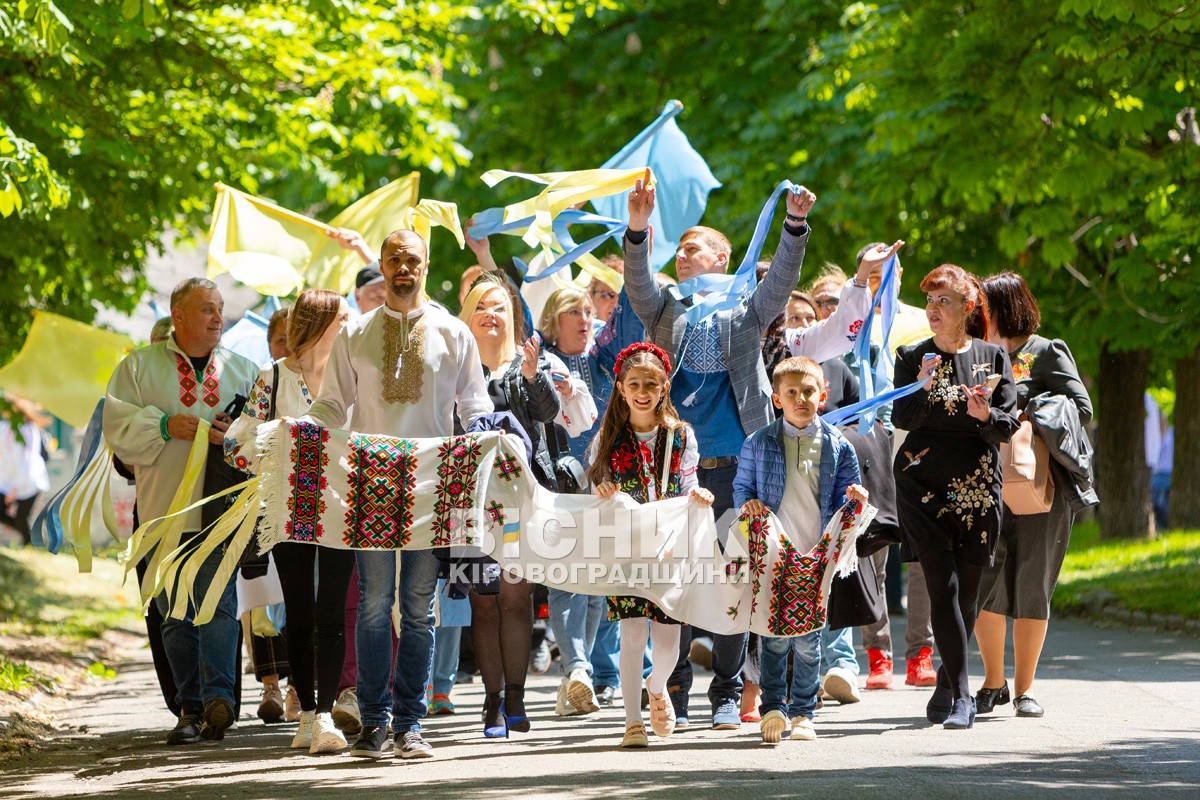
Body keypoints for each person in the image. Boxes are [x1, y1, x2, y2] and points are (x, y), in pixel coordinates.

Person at [622, 169, 816, 730]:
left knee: (733, 579)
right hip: (677, 474)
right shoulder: (667, 310)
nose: (682, 258)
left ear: (722, 257)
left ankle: (727, 694)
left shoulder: (743, 311)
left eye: (693, 250)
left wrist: (794, 225)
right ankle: (673, 690)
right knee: (676, 582)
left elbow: (781, 282)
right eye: (677, 251)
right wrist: (638, 231)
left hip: (736, 469)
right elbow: (637, 284)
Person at [302, 229, 492, 759]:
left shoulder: (455, 334)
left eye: (412, 259)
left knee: (418, 608)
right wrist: (298, 433)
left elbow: (475, 408)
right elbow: (332, 405)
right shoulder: (356, 333)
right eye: (394, 259)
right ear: (381, 266)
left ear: (427, 266)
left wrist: (496, 440)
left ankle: (410, 724)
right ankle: (374, 723)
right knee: (372, 606)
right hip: (371, 485)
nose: (403, 267)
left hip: (434, 485)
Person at [103, 278, 259, 744]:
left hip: (222, 513)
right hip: (163, 512)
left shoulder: (243, 370)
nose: (217, 318)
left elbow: (266, 433)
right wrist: (165, 425)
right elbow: (117, 428)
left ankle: (218, 700)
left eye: (220, 308)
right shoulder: (137, 367)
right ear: (179, 316)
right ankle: (189, 706)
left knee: (219, 606)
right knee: (174, 616)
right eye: (207, 309)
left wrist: (238, 432)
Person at [225, 289, 357, 753]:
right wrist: (274, 445)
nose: (351, 323)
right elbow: (234, 445)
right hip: (289, 510)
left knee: (334, 613)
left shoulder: (354, 376)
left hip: (345, 508)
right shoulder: (273, 376)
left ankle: (324, 712)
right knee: (299, 612)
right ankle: (307, 716)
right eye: (344, 317)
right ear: (320, 323)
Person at [891, 264, 1019, 730]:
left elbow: (1008, 425)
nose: (933, 311)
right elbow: (901, 417)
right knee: (941, 586)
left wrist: (985, 416)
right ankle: (963, 696)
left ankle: (947, 681)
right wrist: (923, 388)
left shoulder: (993, 356)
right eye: (929, 301)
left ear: (968, 308)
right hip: (921, 482)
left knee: (967, 594)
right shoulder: (912, 356)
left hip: (978, 484)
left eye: (943, 301)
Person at [974, 272, 1094, 719]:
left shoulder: (1046, 350)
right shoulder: (975, 355)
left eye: (981, 308)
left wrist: (1024, 409)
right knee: (984, 580)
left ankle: (1025, 689)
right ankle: (992, 682)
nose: (974, 316)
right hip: (986, 484)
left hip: (1041, 487)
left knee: (1032, 580)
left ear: (1004, 307)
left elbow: (1082, 408)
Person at [733, 356, 868, 742]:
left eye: (809, 391)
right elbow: (742, 488)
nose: (801, 399)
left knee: (810, 641)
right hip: (775, 553)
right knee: (773, 637)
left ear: (823, 395)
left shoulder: (838, 445)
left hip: (815, 554)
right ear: (777, 398)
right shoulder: (758, 442)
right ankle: (773, 706)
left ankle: (804, 713)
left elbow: (851, 492)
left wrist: (854, 496)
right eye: (791, 392)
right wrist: (748, 504)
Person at [587, 342, 714, 747]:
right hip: (626, 549)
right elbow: (595, 485)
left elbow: (689, 482)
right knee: (632, 635)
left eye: (651, 384)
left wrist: (699, 497)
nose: (643, 391)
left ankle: (656, 685)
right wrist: (601, 488)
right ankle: (631, 722)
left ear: (664, 388)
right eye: (635, 383)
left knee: (668, 642)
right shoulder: (608, 436)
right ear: (621, 389)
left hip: (670, 547)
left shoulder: (681, 435)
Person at [458, 276, 566, 736]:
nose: (491, 314)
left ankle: (518, 701)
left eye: (499, 306)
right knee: (483, 604)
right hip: (468, 504)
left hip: (520, 503)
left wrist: (531, 372)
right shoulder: (453, 369)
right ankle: (492, 703)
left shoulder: (523, 368)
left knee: (516, 600)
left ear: (513, 317)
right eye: (481, 305)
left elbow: (547, 412)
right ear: (467, 316)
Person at [537, 286, 611, 716]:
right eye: (574, 311)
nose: (585, 319)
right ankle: (579, 665)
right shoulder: (539, 361)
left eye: (589, 311)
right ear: (553, 318)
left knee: (598, 586)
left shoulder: (602, 359)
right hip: (557, 486)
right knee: (566, 580)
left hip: (603, 484)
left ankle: (574, 679)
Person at [0, 396, 51, 545]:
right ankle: (30, 541)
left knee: (22, 517)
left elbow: (28, 460)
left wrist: (14, 489)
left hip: (30, 482)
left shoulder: (29, 430)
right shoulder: (4, 428)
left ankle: (29, 544)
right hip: (8, 483)